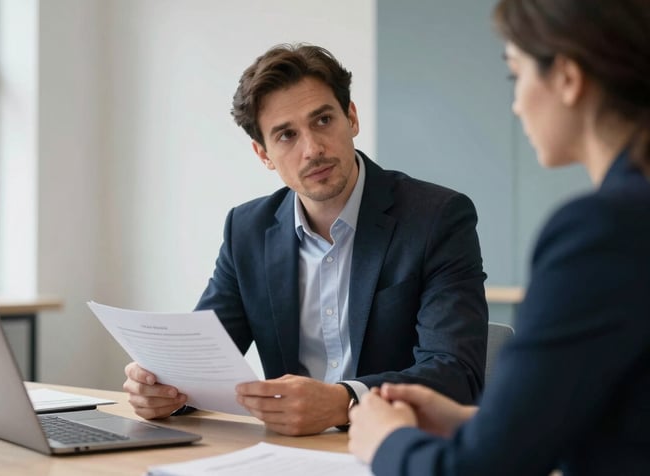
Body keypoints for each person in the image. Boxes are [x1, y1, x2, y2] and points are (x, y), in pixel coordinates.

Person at [123, 43, 489, 436]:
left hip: (397, 449)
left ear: (351, 118)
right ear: (263, 154)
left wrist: (345, 401)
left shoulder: (436, 217)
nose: (312, 149)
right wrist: (164, 392)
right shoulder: (246, 230)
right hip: (287, 454)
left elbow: (457, 372)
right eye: (286, 135)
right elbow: (199, 364)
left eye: (323, 120)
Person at [348, 0, 650, 474]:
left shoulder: (601, 230)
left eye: (516, 76)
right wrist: (479, 421)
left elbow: (480, 470)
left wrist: (386, 441)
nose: (515, 103)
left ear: (568, 79)